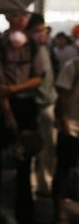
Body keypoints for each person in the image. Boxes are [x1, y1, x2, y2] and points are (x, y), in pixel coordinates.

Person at [0, 10, 45, 224]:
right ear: (8, 18)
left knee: (25, 160)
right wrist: (8, 113)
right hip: (1, 109)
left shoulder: (33, 46)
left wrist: (12, 88)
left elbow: (39, 78)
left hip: (26, 106)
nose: (21, 20)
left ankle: (25, 214)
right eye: (16, 15)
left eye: (24, 16)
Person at [25, 13, 57, 196]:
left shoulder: (43, 48)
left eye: (43, 30)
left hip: (46, 103)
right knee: (36, 146)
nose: (41, 34)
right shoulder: (28, 50)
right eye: (37, 31)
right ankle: (36, 184)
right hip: (37, 104)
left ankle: (44, 183)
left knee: (47, 147)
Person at [54, 56, 79, 223]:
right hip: (72, 127)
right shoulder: (72, 66)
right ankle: (60, 212)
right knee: (64, 170)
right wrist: (64, 124)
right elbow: (61, 97)